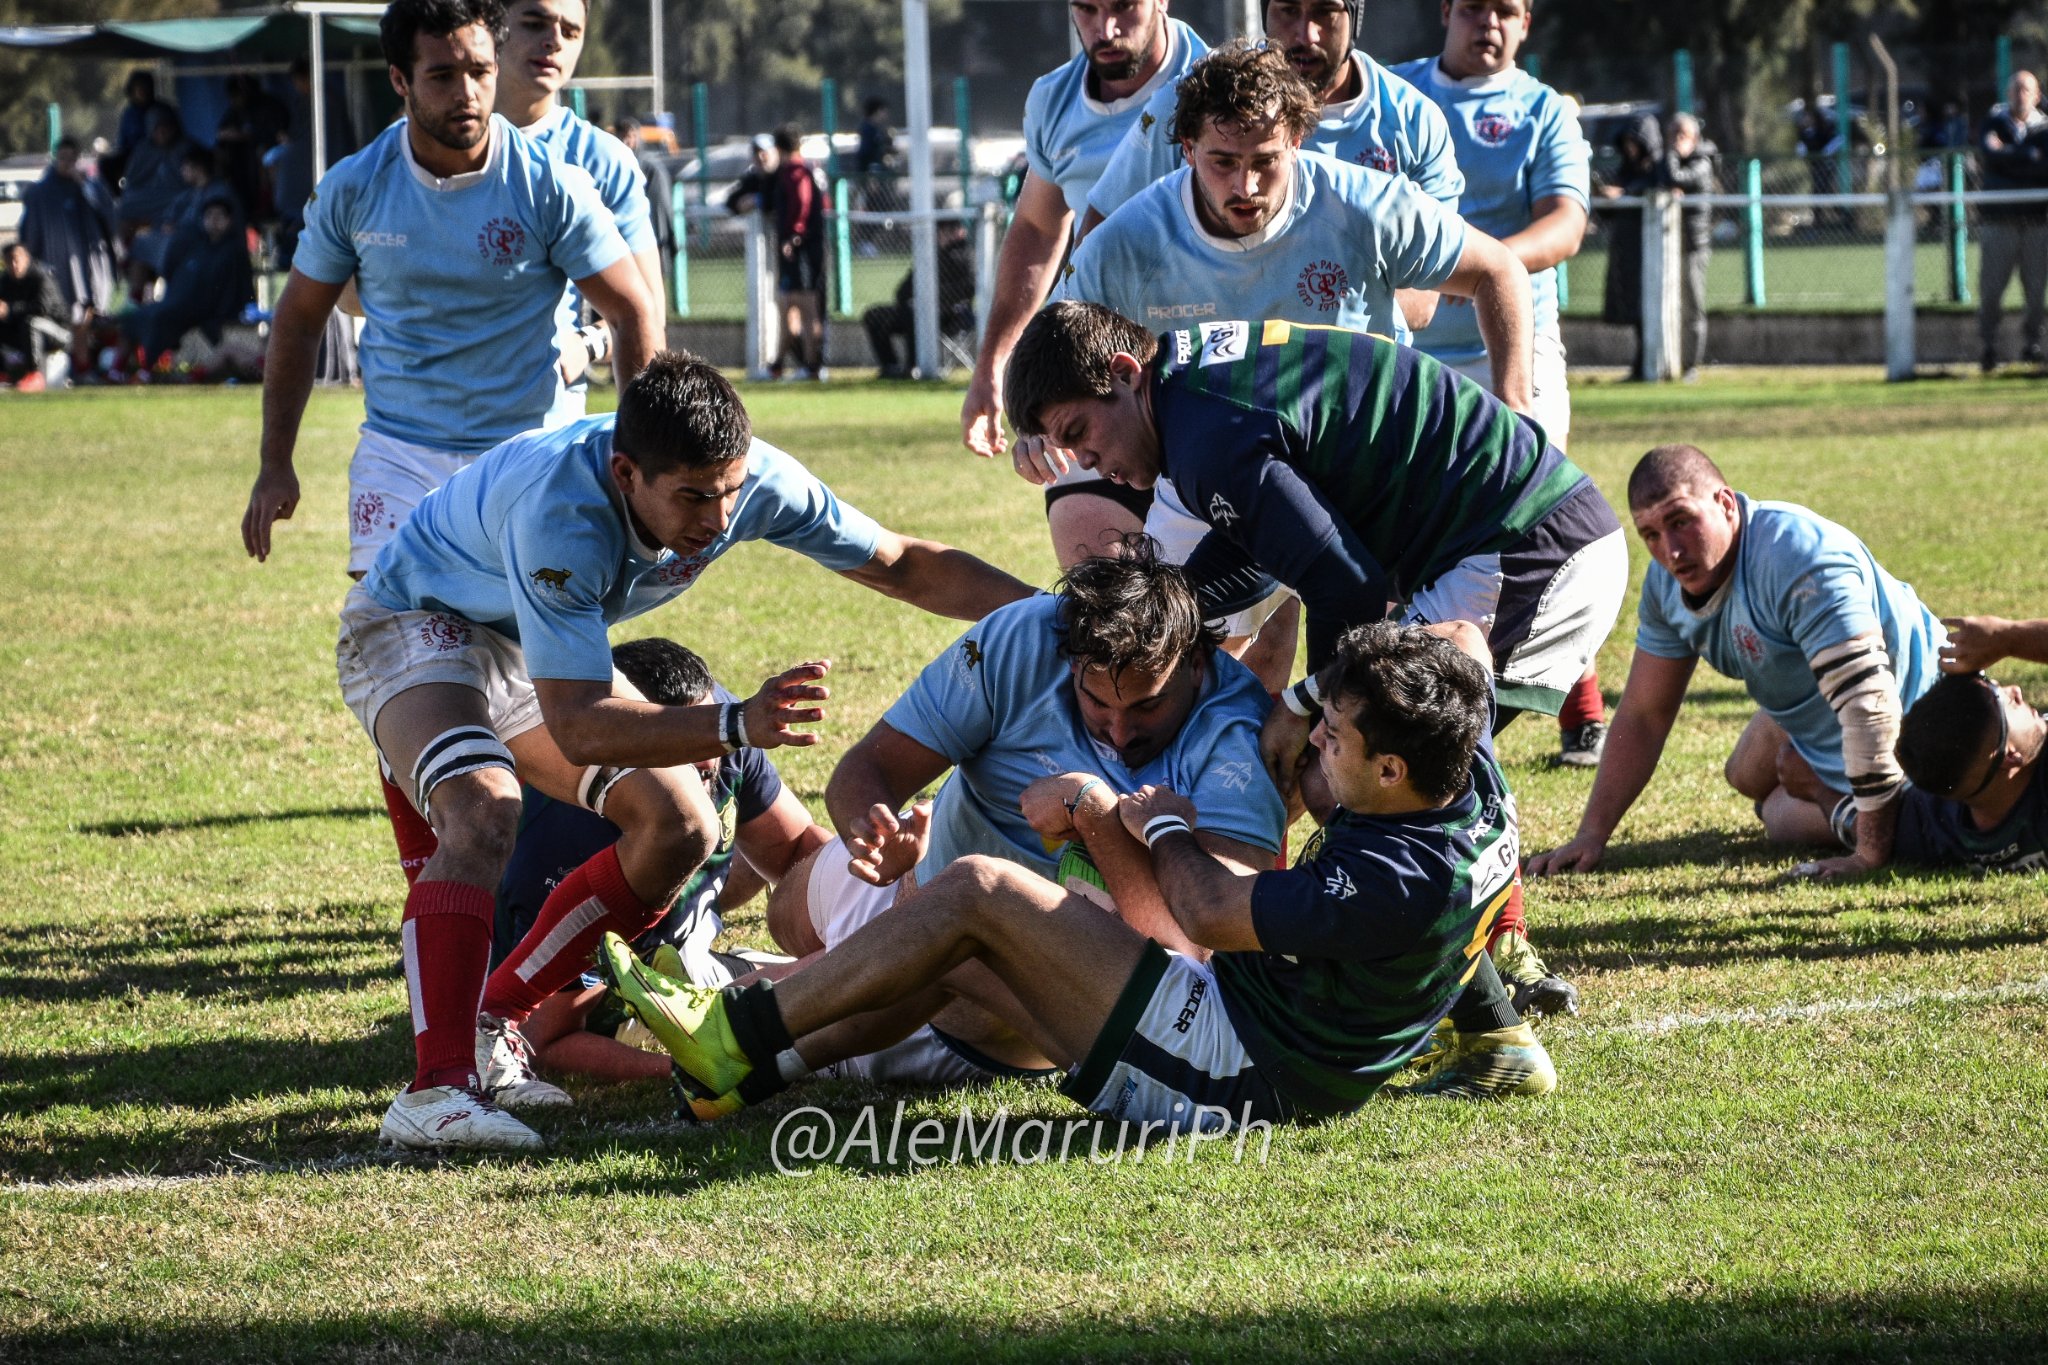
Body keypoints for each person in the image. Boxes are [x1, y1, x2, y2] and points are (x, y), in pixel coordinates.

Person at [340, 350, 1033, 1150]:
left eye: (729, 490)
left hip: (532, 638)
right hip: (417, 620)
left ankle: (498, 1014)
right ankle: (435, 1090)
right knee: (484, 810)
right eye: (694, 497)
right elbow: (579, 725)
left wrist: (1046, 616)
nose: (717, 517)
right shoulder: (561, 512)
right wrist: (734, 723)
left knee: (684, 826)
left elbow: (902, 563)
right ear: (626, 473)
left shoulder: (752, 480)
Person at [607, 620, 1554, 1131]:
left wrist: (1153, 821)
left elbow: (1210, 913)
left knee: (980, 888)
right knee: (959, 941)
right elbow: (1461, 637)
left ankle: (732, 1030)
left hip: (1245, 1073)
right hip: (1266, 1031)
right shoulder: (1463, 765)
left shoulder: (1397, 874)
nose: (1314, 743)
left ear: (1390, 770)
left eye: (1335, 739)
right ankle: (735, 1069)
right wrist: (1312, 695)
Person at [1005, 303, 1610, 1013]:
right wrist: (1171, 611)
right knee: (1373, 766)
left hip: (1526, 549)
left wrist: (1306, 706)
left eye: (1078, 432)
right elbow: (1272, 542)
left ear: (1123, 372)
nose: (1084, 462)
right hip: (1520, 536)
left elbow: (1345, 585)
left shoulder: (1203, 435)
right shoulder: (1188, 400)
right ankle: (1470, 990)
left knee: (1361, 768)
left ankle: (1484, 989)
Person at [1047, 42, 1530, 682]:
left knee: (1395, 671)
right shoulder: (1132, 240)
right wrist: (1036, 426)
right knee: (1160, 647)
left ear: (1298, 141)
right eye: (1222, 162)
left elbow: (1498, 269)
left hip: (1360, 466)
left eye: (1265, 162)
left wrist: (1517, 407)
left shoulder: (1362, 205)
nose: (1245, 186)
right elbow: (1055, 347)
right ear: (1186, 148)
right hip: (1216, 467)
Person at [748, 543, 1291, 1090]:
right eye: (1098, 703)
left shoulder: (1238, 736)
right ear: (1071, 662)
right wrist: (873, 835)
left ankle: (749, 995)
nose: (1120, 732)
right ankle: (757, 970)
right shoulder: (1024, 638)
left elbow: (1197, 952)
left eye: (1147, 705)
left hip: (968, 1011)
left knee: (749, 1012)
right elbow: (868, 768)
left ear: (1196, 665)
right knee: (784, 913)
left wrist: (1093, 810)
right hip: (907, 881)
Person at [240, 0, 663, 578]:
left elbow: (638, 310)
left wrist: (645, 464)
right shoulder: (355, 187)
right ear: (400, 80)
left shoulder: (558, 181)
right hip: (399, 454)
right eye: (442, 75)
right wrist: (275, 462)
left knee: (530, 629)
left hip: (530, 447)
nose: (466, 93)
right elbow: (299, 319)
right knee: (392, 624)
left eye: (479, 72)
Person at [1526, 444, 1946, 882]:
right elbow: (1644, 715)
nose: (1671, 551)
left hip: (1915, 729)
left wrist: (1868, 853)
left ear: (1726, 504)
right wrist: (1591, 835)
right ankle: (1816, 777)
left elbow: (1870, 706)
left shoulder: (1798, 558)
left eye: (1681, 521)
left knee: (1780, 816)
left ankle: (1839, 795)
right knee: (1744, 773)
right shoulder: (1666, 585)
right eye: (1651, 534)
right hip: (1828, 705)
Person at [1395, 0, 1607, 768]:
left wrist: (1478, 269)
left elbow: (1566, 225)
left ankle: (1581, 709)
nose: (1489, 21)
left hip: (1516, 350)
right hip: (1417, 354)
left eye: (1507, 10)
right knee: (1413, 539)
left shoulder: (1543, 110)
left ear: (1526, 25)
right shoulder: (1395, 94)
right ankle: (1412, 697)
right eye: (1474, 6)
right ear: (1445, 11)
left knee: (1534, 528)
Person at [490, 637, 831, 1086]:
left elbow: (797, 848)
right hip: (609, 1003)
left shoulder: (722, 729)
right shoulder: (562, 838)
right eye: (685, 749)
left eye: (710, 731)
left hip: (686, 964)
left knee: (847, 964)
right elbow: (548, 1039)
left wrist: (860, 897)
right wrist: (693, 1071)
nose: (709, 762)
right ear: (627, 751)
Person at [957, 0, 1207, 561]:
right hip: (1098, 392)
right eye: (1087, 9)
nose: (1105, 28)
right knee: (1100, 573)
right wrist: (996, 364)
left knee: (1250, 613)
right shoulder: (1054, 99)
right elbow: (1036, 231)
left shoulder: (1209, 85)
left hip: (1203, 389)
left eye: (1123, 7)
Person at [1083, 0, 1463, 234]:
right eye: (1288, 10)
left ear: (1355, 15)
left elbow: (1426, 294)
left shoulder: (1413, 120)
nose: (1306, 35)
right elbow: (1099, 228)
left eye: (1325, 11)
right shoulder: (1195, 97)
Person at [494, 0, 665, 382]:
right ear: (491, 24)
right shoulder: (434, 144)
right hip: (424, 416)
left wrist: (588, 343)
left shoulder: (601, 159)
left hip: (547, 412)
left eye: (571, 32)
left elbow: (649, 313)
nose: (554, 40)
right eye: (534, 23)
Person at [1878, 666, 2047, 875]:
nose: (2016, 690)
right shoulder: (1923, 820)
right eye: (2011, 703)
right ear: (2008, 755)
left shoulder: (1929, 823)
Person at [114, 200, 254, 368]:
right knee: (135, 317)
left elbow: (233, 292)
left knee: (161, 318)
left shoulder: (233, 252)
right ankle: (119, 368)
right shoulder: (196, 247)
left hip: (204, 311)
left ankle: (147, 369)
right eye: (209, 215)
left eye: (219, 216)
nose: (214, 221)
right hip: (179, 304)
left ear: (229, 220)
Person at [1976, 71, 2048, 373]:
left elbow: (2042, 167)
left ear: (2037, 95)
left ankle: (2032, 345)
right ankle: (1988, 347)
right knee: (1991, 290)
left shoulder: (2044, 128)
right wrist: (2027, 156)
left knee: (2036, 291)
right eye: (2016, 89)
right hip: (1999, 221)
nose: (2020, 95)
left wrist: (2008, 157)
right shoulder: (1993, 123)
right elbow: (1989, 157)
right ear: (2008, 93)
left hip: (2037, 223)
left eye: (2026, 89)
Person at [21, 139, 120, 323]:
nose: (67, 163)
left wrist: (85, 186)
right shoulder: (41, 192)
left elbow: (108, 214)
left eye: (71, 158)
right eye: (63, 157)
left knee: (92, 310)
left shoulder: (90, 186)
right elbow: (30, 231)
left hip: (89, 258)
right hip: (56, 261)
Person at [862, 219, 974, 378]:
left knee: (913, 311)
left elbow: (968, 288)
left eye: (951, 230)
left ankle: (913, 366)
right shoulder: (930, 256)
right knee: (874, 315)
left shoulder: (967, 256)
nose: (945, 235)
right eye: (943, 231)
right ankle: (891, 366)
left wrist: (933, 298)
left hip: (952, 316)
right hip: (916, 312)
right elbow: (903, 292)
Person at [1597, 111, 1659, 381]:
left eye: (1634, 142)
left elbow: (1655, 189)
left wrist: (1624, 194)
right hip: (1626, 250)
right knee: (1634, 307)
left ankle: (1649, 364)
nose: (1630, 148)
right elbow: (1610, 214)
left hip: (1650, 249)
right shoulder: (1625, 170)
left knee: (1649, 306)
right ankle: (1640, 365)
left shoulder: (1657, 168)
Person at [768, 125, 828, 380]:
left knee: (807, 306)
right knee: (791, 306)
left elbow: (802, 204)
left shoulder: (797, 172)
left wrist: (794, 236)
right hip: (803, 247)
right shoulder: (800, 171)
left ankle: (812, 367)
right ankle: (781, 365)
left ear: (778, 148)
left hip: (802, 249)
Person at [1662, 113, 1717, 381]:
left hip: (1693, 245)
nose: (1675, 141)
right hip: (1669, 245)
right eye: (1672, 135)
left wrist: (1673, 154)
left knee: (1692, 305)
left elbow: (1675, 176)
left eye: (1681, 136)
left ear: (1694, 138)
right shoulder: (1676, 160)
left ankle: (1691, 364)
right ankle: (1668, 361)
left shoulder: (1702, 163)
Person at [0, 242, 70, 390]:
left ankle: (35, 375)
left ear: (26, 258)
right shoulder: (5, 281)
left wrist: (10, 309)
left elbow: (42, 308)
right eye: (8, 261)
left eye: (16, 259)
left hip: (58, 332)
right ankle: (3, 373)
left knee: (31, 322)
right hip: (23, 333)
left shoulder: (41, 277)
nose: (13, 265)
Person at [855, 96, 897, 213]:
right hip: (872, 176)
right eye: (883, 111)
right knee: (873, 207)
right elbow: (866, 154)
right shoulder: (868, 130)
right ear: (877, 111)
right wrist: (872, 175)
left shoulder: (876, 129)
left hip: (877, 175)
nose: (886, 115)